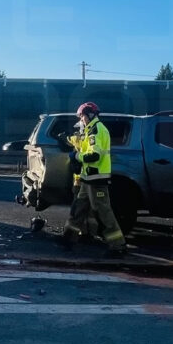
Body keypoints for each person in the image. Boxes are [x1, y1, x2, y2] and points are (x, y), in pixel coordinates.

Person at [61, 102, 126, 258]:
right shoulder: (91, 129)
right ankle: (68, 239)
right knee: (78, 208)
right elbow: (84, 147)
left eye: (82, 116)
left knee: (104, 212)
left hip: (96, 179)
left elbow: (94, 155)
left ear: (90, 114)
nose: (81, 119)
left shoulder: (96, 130)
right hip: (88, 177)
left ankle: (118, 246)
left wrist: (76, 156)